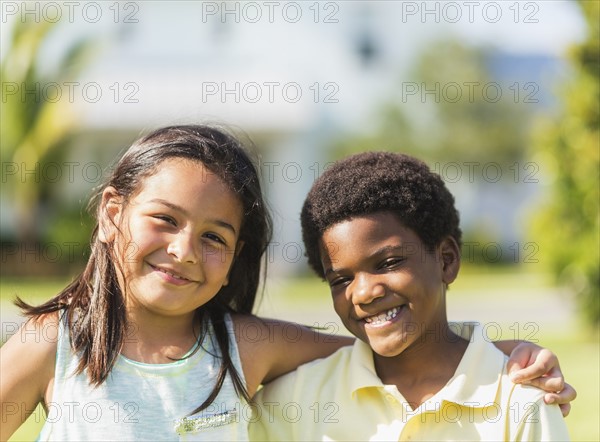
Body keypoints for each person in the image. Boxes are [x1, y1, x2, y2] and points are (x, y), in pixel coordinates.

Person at [0, 128, 572, 441]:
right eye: (165, 219)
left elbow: (385, 349)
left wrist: (496, 361)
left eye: (214, 237)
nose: (183, 250)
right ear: (110, 214)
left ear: (236, 257)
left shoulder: (245, 347)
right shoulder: (53, 342)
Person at [250, 151, 572, 441]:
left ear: (446, 260)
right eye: (341, 279)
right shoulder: (292, 403)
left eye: (388, 263)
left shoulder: (521, 398)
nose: (363, 293)